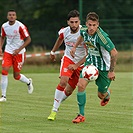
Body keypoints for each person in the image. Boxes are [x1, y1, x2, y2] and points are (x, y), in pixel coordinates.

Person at [70, 12, 118, 123]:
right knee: (80, 85)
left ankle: (107, 94)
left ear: (98, 25)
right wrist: (74, 47)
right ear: (86, 24)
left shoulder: (102, 38)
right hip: (90, 64)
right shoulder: (83, 31)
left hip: (104, 68)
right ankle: (81, 115)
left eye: (94, 25)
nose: (91, 28)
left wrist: (111, 71)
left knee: (101, 95)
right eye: (90, 25)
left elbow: (114, 53)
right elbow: (81, 36)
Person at [47, 10, 87, 121]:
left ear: (79, 21)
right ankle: (54, 110)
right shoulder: (64, 31)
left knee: (69, 91)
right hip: (68, 60)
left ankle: (58, 102)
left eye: (76, 22)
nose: (74, 25)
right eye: (72, 22)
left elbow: (88, 54)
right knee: (63, 82)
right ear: (68, 22)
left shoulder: (85, 33)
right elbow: (59, 40)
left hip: (81, 64)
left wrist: (77, 65)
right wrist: (53, 52)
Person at [0, 9, 34, 102]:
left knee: (16, 76)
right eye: (10, 15)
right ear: (7, 16)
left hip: (19, 53)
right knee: (4, 71)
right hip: (8, 51)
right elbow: (2, 37)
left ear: (16, 16)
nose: (11, 16)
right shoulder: (4, 26)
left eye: (13, 15)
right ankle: (3, 96)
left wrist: (18, 49)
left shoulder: (20, 26)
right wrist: (0, 47)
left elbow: (28, 39)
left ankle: (28, 82)